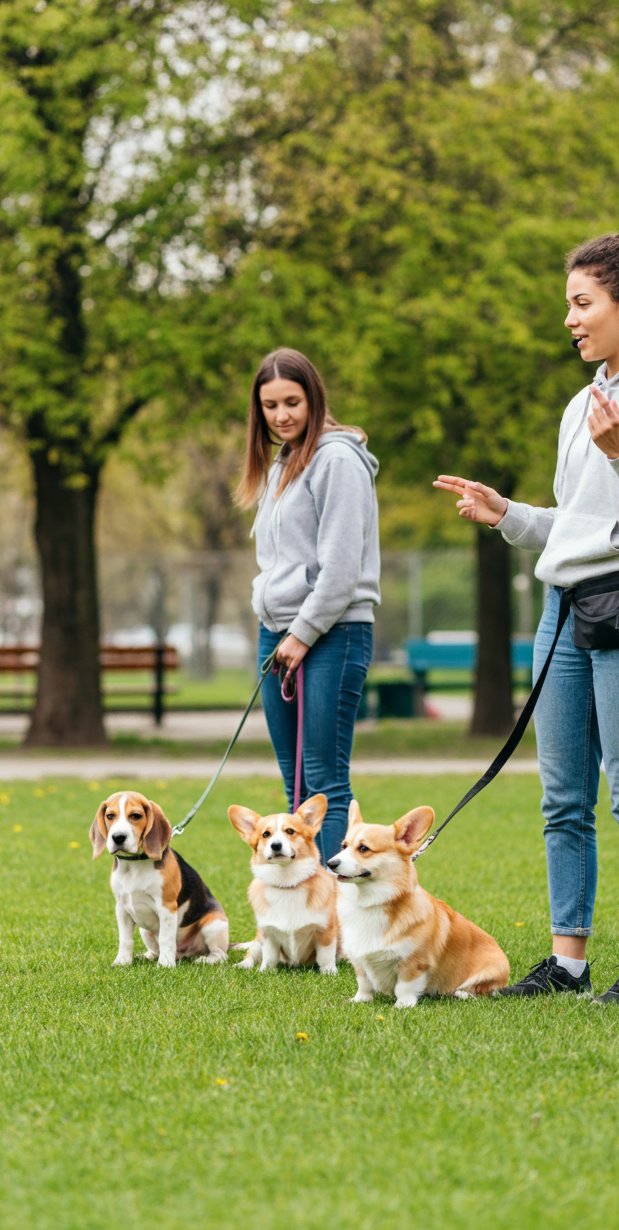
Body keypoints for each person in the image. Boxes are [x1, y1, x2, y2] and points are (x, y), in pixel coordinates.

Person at [434, 222, 619, 1002]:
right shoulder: (582, 402)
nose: (570, 318)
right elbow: (582, 525)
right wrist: (508, 515)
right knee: (563, 797)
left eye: (581, 302)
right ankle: (568, 961)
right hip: (564, 613)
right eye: (568, 303)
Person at [236, 348, 380, 863]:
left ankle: (332, 911)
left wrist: (301, 634)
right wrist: (279, 630)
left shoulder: (337, 460)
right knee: (294, 784)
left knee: (323, 781)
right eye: (270, 405)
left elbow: (340, 569)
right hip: (278, 633)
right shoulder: (280, 464)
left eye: (292, 402)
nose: (281, 416)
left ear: (313, 398)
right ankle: (299, 909)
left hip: (332, 632)